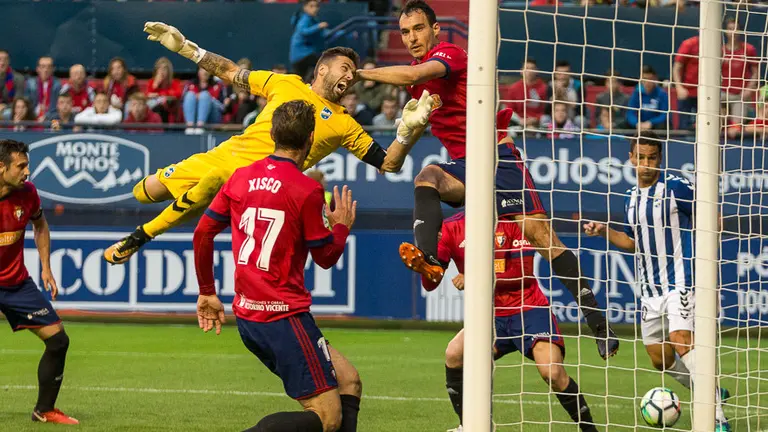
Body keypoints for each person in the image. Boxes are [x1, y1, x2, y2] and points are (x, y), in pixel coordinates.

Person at [355, 0, 618, 359]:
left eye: (418, 28)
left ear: (435, 29)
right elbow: (393, 161)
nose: (412, 37)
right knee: (427, 176)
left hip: (498, 158)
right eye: (404, 32)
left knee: (543, 239)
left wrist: (360, 74)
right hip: (466, 165)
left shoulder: (448, 55)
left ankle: (599, 324)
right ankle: (431, 260)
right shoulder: (418, 89)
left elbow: (414, 76)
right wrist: (394, 144)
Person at [103, 22, 435, 265]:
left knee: (215, 182)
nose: (351, 77)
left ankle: (139, 237)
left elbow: (389, 163)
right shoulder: (284, 83)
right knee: (145, 191)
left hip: (260, 183)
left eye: (353, 73)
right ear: (322, 70)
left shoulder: (345, 123)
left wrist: (409, 132)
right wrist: (186, 48)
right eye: (345, 69)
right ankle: (151, 222)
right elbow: (231, 73)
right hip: (222, 155)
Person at [193, 100, 361, 432]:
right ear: (311, 138)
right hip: (283, 317)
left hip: (250, 317)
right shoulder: (307, 190)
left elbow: (202, 233)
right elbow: (325, 258)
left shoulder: (240, 178)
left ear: (272, 134)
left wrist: (207, 291)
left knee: (349, 382)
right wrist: (341, 227)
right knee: (327, 416)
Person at [583, 131, 730, 432]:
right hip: (650, 291)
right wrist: (604, 230)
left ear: (660, 159)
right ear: (631, 158)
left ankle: (717, 418)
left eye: (652, 158)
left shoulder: (676, 187)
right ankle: (711, 390)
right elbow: (632, 242)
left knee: (681, 340)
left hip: (681, 282)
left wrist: (706, 259)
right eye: (641, 158)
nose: (646, 164)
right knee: (659, 358)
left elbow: (712, 216)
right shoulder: (630, 198)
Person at [426, 213, 597, 432]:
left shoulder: (518, 221)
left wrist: (473, 277)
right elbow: (433, 275)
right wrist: (424, 265)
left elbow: (519, 273)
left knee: (553, 373)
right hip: (491, 315)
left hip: (530, 309)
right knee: (454, 354)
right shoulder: (453, 227)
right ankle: (466, 426)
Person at [0, 139, 78, 425]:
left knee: (58, 341)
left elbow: (40, 225)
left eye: (27, 165)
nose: (27, 172)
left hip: (16, 283)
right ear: (1, 167)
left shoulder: (28, 193)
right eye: (20, 166)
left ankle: (44, 410)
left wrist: (46, 268)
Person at [289, 0, 329, 83]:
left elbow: (323, 33)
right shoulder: (305, 19)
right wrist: (318, 26)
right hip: (301, 56)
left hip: (306, 55)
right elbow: (303, 31)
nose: (315, 9)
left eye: (317, 6)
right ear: (305, 7)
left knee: (301, 80)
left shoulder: (313, 19)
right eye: (311, 6)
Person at [627, 65, 668, 131]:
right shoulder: (637, 93)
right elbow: (630, 113)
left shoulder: (662, 94)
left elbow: (664, 115)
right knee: (625, 124)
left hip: (655, 125)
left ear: (655, 79)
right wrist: (637, 123)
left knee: (663, 125)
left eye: (650, 79)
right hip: (640, 124)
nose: (647, 82)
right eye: (645, 79)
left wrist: (651, 122)